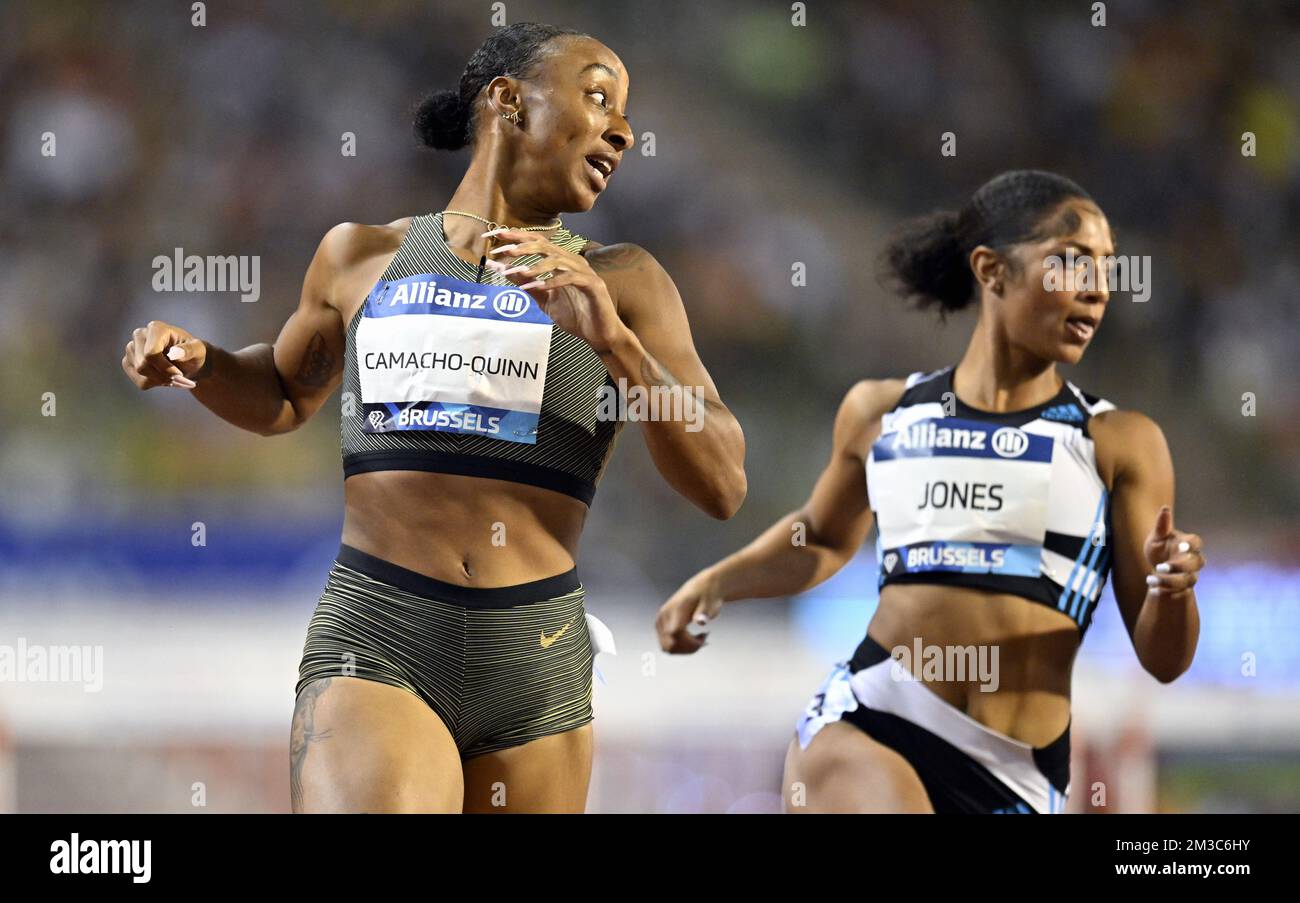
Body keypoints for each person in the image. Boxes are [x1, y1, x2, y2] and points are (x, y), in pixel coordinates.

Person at [121, 22, 746, 813]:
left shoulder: (626, 283)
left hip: (536, 656)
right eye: (598, 98)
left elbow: (724, 482)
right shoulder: (362, 257)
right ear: (507, 100)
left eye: (625, 114)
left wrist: (615, 341)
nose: (624, 130)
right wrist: (203, 364)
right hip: (381, 635)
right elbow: (284, 391)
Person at [656, 170, 1203, 813]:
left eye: (1107, 269)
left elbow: (1164, 660)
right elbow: (823, 536)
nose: (1098, 291)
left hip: (1022, 772)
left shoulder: (1118, 442)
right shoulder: (883, 411)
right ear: (992, 270)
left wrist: (1173, 591)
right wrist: (717, 582)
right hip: (878, 717)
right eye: (1072, 262)